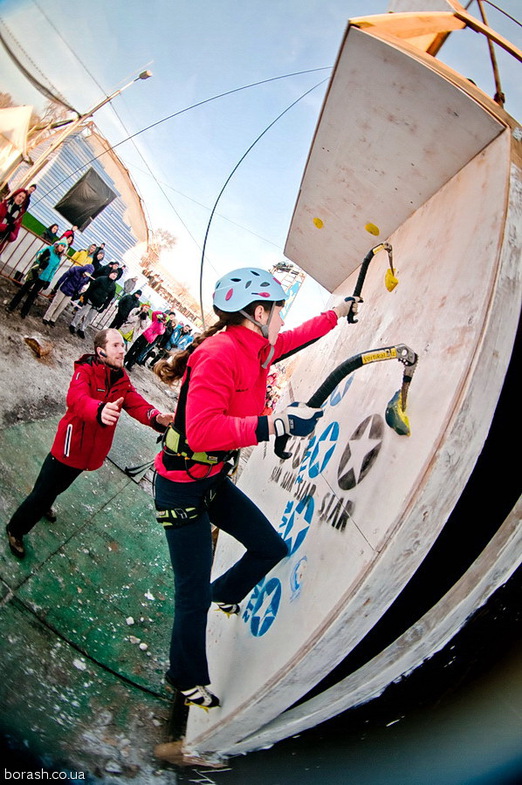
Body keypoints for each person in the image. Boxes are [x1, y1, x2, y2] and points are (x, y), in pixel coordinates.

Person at [152, 267, 359, 709]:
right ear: (259, 312)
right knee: (191, 592)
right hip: (181, 488)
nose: (284, 317)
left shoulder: (257, 348)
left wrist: (335, 314)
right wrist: (276, 423)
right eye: (280, 309)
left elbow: (292, 339)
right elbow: (203, 431)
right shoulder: (219, 353)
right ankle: (183, 676)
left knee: (270, 547)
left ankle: (226, 593)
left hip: (210, 481)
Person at [5, 329, 173, 560]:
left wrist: (156, 416)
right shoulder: (85, 371)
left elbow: (135, 403)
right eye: (115, 345)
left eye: (122, 345)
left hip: (89, 452)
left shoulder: (121, 378)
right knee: (42, 492)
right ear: (100, 351)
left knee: (59, 486)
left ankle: (45, 505)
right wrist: (99, 409)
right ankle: (16, 529)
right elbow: (76, 399)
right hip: (69, 446)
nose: (122, 349)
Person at [7, 240, 67, 318]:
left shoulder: (58, 258)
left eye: (64, 247)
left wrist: (48, 281)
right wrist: (42, 258)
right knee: (24, 289)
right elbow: (38, 255)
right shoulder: (49, 249)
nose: (62, 248)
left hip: (43, 278)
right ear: (58, 245)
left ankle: (24, 311)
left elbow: (53, 270)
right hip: (36, 273)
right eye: (61, 245)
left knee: (33, 295)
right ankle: (12, 306)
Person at [69, 270, 118, 338]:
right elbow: (91, 287)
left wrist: (104, 307)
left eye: (116, 275)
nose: (114, 275)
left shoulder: (113, 286)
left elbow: (110, 298)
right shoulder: (101, 279)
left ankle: (82, 329)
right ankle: (73, 324)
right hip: (90, 299)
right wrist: (86, 297)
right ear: (110, 273)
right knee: (81, 312)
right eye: (113, 274)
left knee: (90, 318)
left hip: (98, 304)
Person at [42, 262, 94, 327]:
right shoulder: (76, 269)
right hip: (64, 288)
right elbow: (65, 275)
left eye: (88, 275)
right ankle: (46, 317)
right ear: (84, 270)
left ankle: (53, 319)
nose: (85, 275)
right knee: (55, 303)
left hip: (71, 293)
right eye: (86, 273)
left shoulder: (86, 278)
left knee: (62, 306)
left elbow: (81, 285)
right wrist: (57, 285)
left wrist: (77, 292)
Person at [0, 188, 28, 254]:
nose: (20, 199)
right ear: (15, 196)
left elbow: (14, 237)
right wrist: (5, 227)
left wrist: (9, 233)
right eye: (19, 196)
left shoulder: (19, 216)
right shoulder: (3, 206)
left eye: (23, 198)